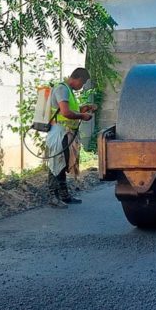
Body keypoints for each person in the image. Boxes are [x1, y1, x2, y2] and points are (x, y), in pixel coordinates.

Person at [46, 68, 95, 208]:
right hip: (59, 132)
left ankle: (64, 195)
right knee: (56, 163)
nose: (82, 86)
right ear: (77, 78)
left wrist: (82, 109)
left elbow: (67, 110)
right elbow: (66, 113)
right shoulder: (62, 89)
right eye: (83, 82)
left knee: (62, 164)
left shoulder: (68, 90)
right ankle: (53, 196)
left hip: (65, 132)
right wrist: (82, 116)